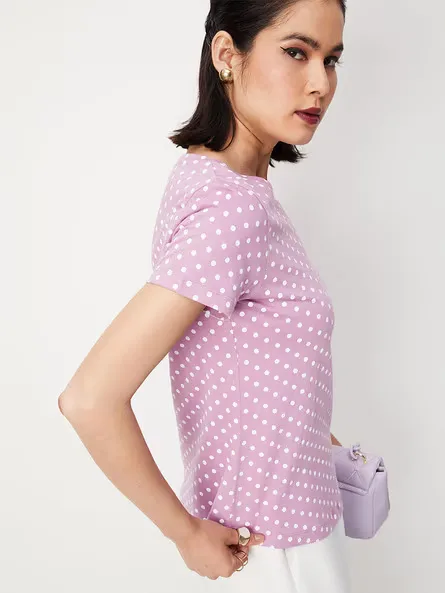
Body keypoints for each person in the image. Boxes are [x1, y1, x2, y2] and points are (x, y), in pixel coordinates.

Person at [58, 0, 351, 590]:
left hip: (283, 532)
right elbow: (90, 398)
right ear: (226, 55)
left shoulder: (214, 181)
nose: (321, 83)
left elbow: (238, 355)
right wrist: (184, 533)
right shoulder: (232, 210)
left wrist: (321, 445)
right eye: (296, 52)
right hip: (275, 554)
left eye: (332, 59)